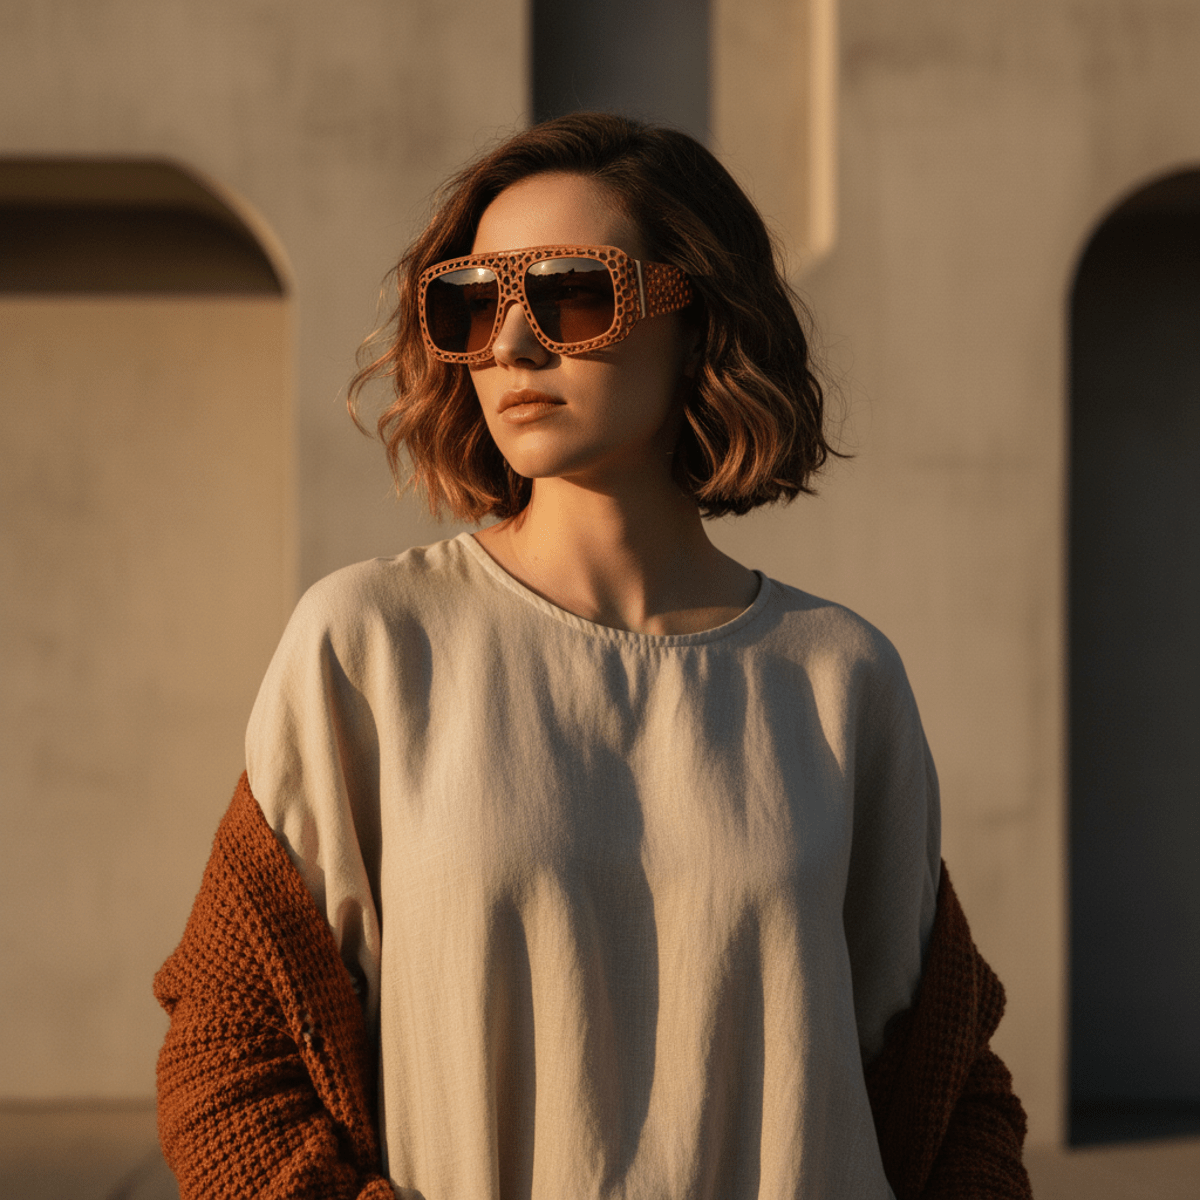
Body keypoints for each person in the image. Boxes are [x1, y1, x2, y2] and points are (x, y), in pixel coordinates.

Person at [154, 112, 1031, 1200]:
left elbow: (946, 1095)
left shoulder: (840, 677)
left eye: (571, 293)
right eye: (470, 303)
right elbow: (231, 1056)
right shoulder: (369, 647)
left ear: (698, 317)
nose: (513, 344)